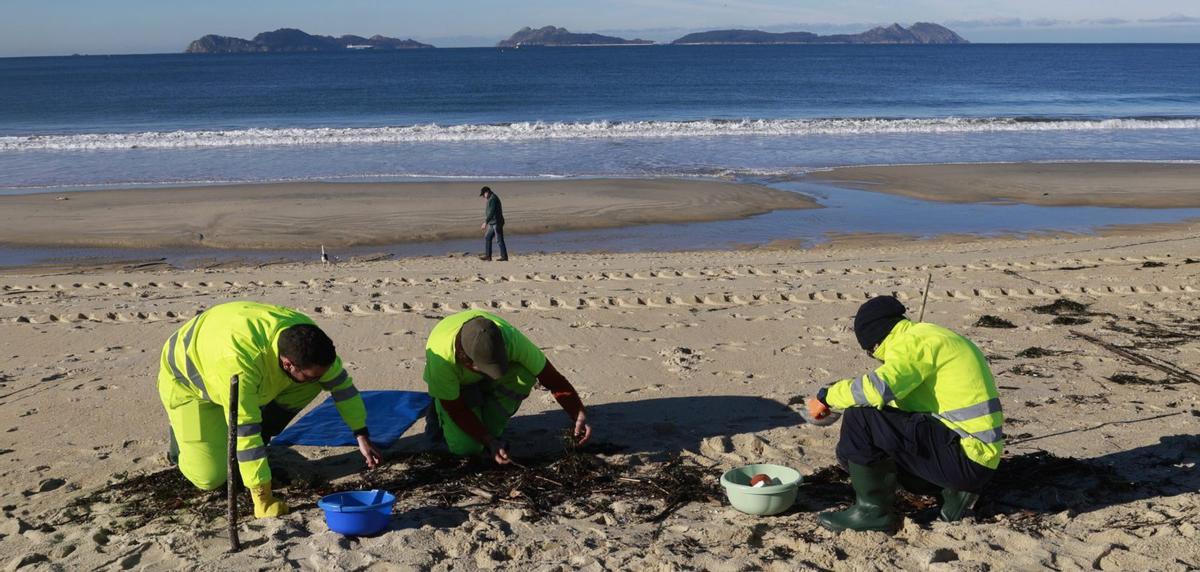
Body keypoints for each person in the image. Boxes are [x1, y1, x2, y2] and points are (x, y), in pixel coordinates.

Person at [156, 301, 382, 518]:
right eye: (314, 374)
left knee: (310, 384)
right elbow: (246, 432)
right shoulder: (240, 367)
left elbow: (342, 387)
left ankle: (260, 437)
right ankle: (179, 441)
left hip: (239, 360)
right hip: (189, 385)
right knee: (210, 478)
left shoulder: (308, 340)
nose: (322, 379)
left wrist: (360, 433)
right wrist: (262, 499)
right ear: (288, 364)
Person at [804, 296, 1003, 532]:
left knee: (861, 417)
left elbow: (877, 389)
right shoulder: (932, 336)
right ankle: (952, 492)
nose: (875, 357)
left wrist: (827, 396)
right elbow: (904, 407)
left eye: (870, 351)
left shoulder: (915, 343)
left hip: (966, 458)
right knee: (873, 430)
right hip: (974, 456)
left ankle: (872, 513)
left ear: (876, 341)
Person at [422, 310, 590, 463]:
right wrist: (488, 441)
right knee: (468, 449)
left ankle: (488, 421)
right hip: (459, 387)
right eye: (486, 369)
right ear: (465, 360)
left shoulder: (510, 338)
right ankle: (438, 404)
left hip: (477, 374)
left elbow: (552, 379)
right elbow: (457, 410)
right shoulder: (441, 362)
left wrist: (577, 413)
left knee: (524, 375)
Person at [479, 185, 508, 261]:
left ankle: (504, 257)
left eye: (483, 195)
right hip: (492, 223)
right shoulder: (490, 198)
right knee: (488, 237)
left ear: (487, 192)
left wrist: (485, 222)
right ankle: (488, 256)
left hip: (497, 222)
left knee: (499, 240)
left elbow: (492, 212)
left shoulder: (493, 199)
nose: (483, 197)